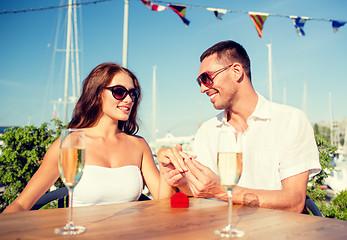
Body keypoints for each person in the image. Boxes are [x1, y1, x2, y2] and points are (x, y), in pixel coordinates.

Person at [157, 40, 321, 213]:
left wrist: (223, 191)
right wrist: (177, 179)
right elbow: (203, 192)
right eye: (200, 81)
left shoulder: (291, 120)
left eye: (206, 78)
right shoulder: (207, 130)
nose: (203, 89)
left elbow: (294, 202)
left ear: (236, 71)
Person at [3, 62, 175, 213]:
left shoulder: (139, 145)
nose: (129, 99)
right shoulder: (71, 143)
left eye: (133, 93)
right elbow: (22, 203)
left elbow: (163, 203)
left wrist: (167, 170)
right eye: (119, 92)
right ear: (97, 93)